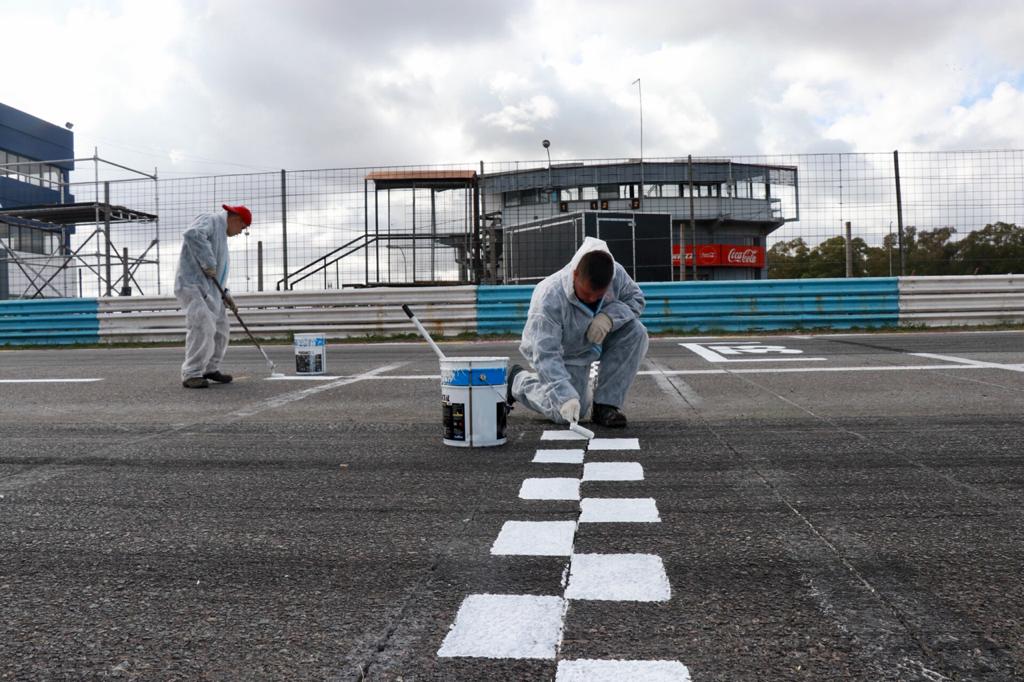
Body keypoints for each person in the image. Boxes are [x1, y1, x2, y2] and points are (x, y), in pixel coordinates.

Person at [508, 237, 649, 428]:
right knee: (569, 411)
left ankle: (605, 405)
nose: (591, 299)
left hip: (597, 338)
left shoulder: (617, 274)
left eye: (598, 296)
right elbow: (546, 355)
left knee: (636, 331)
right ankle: (518, 381)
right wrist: (565, 396)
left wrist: (609, 317)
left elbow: (636, 299)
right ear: (574, 275)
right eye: (587, 293)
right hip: (565, 352)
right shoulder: (549, 297)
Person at [174, 204, 251, 388]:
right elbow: (193, 234)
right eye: (243, 227)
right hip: (192, 286)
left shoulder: (221, 236)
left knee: (221, 328)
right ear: (235, 219)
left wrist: (226, 294)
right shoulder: (211, 220)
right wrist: (207, 261)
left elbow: (218, 273)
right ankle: (191, 373)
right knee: (203, 327)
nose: (241, 232)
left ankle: (210, 368)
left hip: (212, 291)